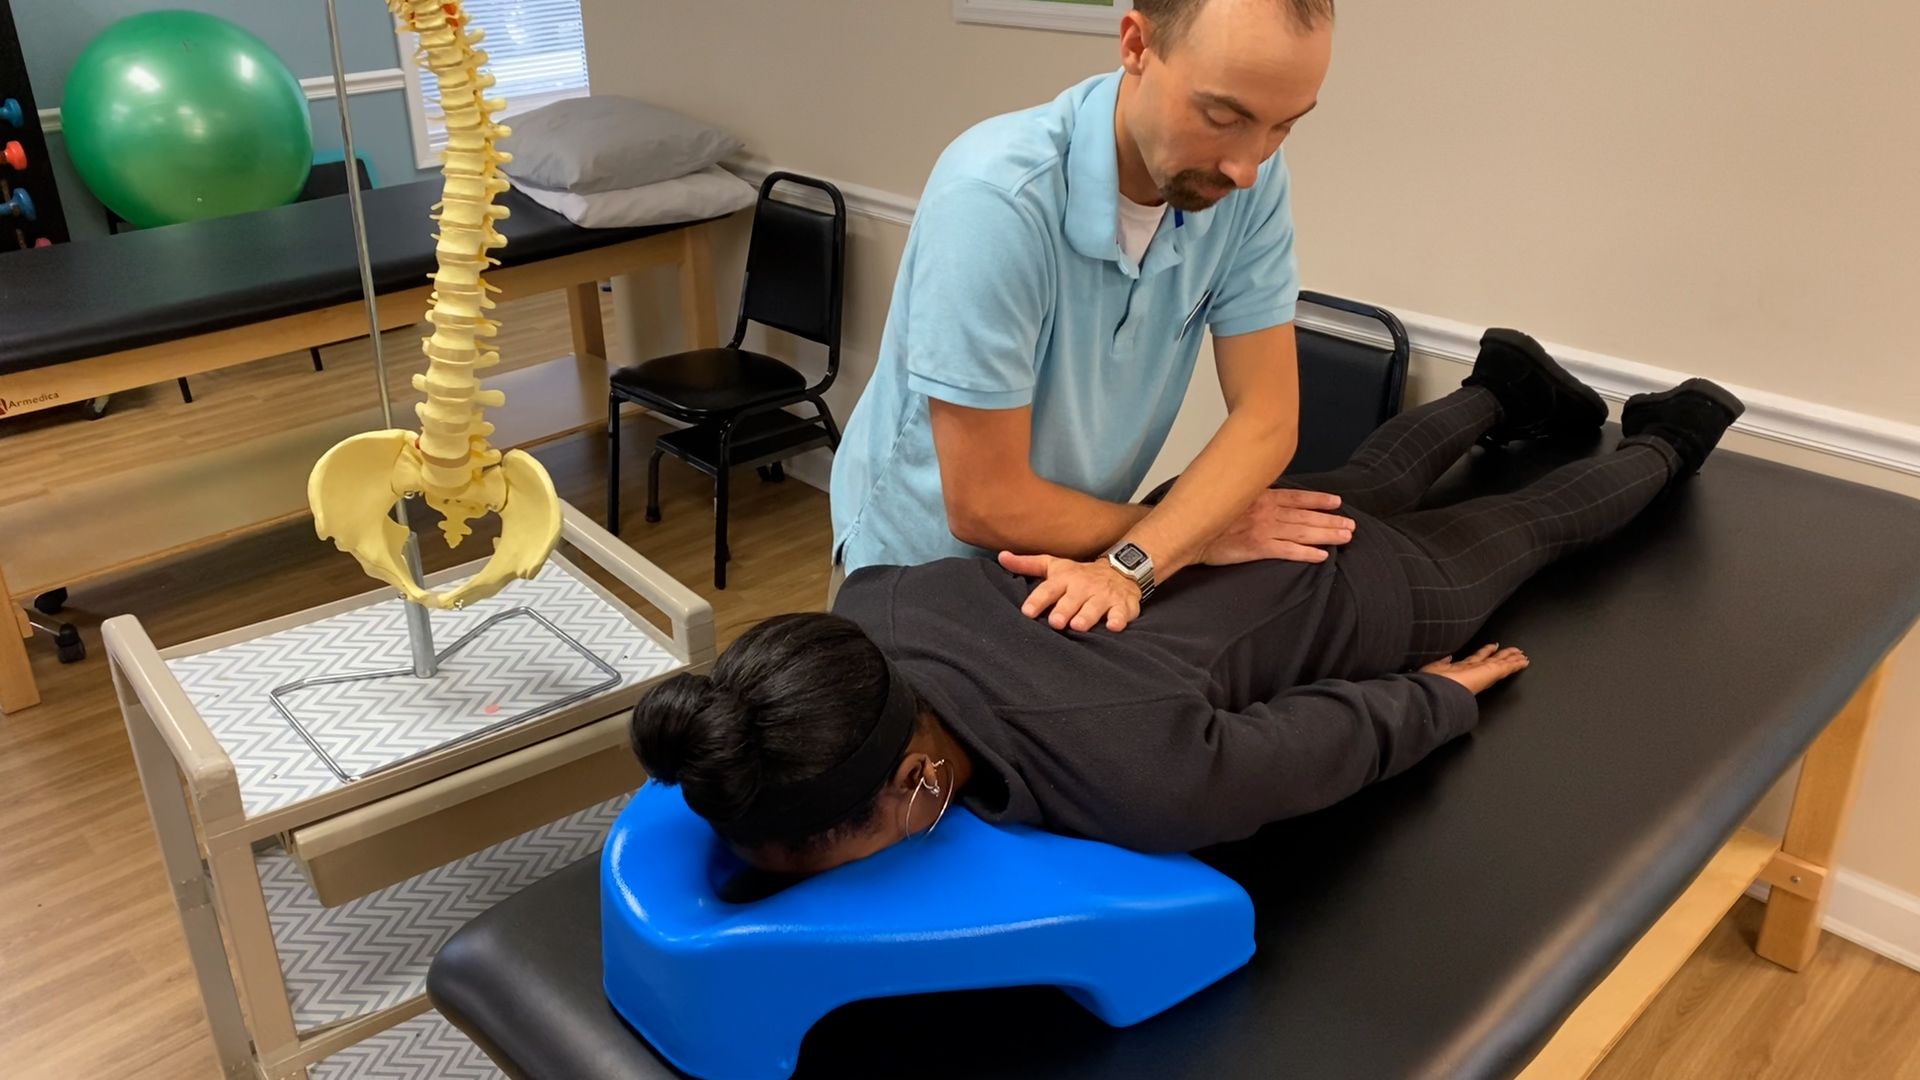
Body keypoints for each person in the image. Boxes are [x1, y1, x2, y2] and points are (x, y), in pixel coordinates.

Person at [634, 336, 1746, 874]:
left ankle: (1672, 432)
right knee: (1365, 471)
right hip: (1191, 523)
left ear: (920, 787)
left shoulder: (1139, 779)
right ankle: (1501, 382)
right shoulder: (874, 604)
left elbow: (1321, 743)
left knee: (1527, 532)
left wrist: (1439, 696)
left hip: (1359, 597)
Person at [829, 0, 1353, 633]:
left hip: (1080, 556)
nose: (1246, 166)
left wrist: (1152, 550)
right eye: (1222, 116)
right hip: (917, 573)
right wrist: (1186, 537)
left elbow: (1267, 418)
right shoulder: (995, 200)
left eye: (1284, 127)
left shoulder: (1252, 186)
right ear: (1136, 44)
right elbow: (985, 503)